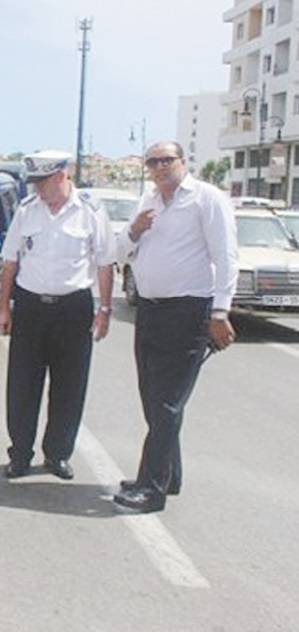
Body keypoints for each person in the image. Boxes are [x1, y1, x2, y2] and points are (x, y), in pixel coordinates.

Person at [113, 141, 239, 513]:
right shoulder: (147, 202)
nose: (160, 166)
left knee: (167, 401)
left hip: (188, 312)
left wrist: (220, 312)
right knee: (153, 397)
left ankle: (151, 488)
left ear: (183, 162)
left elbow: (226, 257)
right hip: (150, 311)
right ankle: (169, 475)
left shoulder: (206, 199)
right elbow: (120, 253)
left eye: (167, 160)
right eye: (153, 162)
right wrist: (134, 230)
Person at [0, 150, 116, 480]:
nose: (36, 189)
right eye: (33, 183)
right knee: (22, 385)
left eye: (42, 182)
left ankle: (58, 454)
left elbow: (105, 263)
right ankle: (19, 453)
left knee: (70, 385)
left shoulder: (90, 211)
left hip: (73, 309)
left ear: (62, 175)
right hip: (31, 307)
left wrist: (105, 308)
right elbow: (10, 261)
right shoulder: (26, 210)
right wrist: (4, 306)